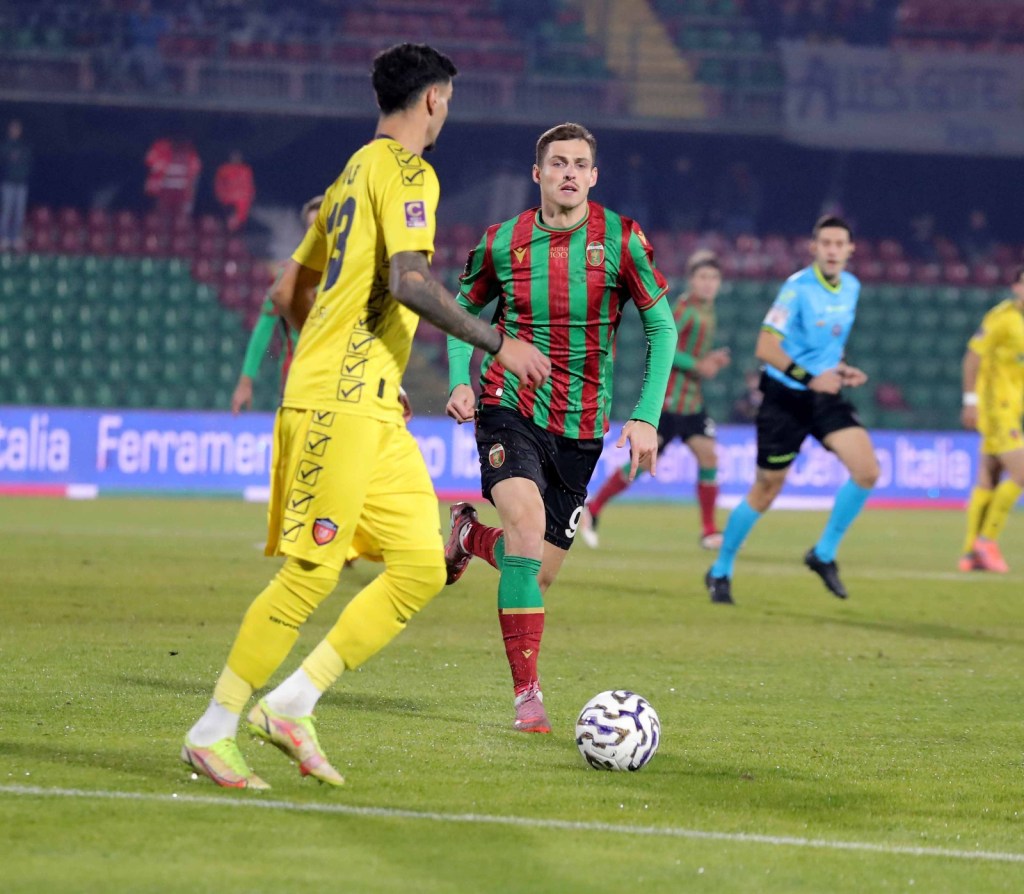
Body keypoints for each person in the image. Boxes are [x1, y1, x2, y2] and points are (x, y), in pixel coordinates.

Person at [181, 42, 550, 790]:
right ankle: (213, 728)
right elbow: (410, 281)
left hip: (370, 403)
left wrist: (369, 358)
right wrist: (497, 341)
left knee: (419, 565)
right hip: (338, 403)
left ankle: (292, 702)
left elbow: (291, 290)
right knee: (313, 571)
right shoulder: (411, 173)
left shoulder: (351, 172)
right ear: (435, 101)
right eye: (448, 101)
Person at [442, 122, 676, 733]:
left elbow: (663, 328)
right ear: (538, 173)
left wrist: (646, 415)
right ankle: (528, 697)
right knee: (524, 524)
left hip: (582, 426)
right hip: (509, 405)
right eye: (557, 163)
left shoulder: (622, 240)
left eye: (579, 164)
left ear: (594, 177)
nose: (569, 172)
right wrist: (460, 378)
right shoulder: (502, 242)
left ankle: (468, 537)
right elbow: (460, 312)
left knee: (536, 570)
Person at [705, 215, 878, 605]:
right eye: (826, 243)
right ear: (814, 248)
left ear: (850, 250)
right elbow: (765, 348)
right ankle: (721, 569)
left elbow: (826, 347)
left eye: (840, 244)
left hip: (823, 396)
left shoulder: (851, 287)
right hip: (784, 399)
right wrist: (808, 376)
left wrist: (838, 369)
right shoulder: (796, 289)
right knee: (766, 490)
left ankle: (823, 553)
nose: (833, 250)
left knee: (867, 470)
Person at [580, 249, 731, 550]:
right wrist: (698, 365)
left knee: (709, 457)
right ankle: (593, 508)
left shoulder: (709, 310)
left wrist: (707, 361)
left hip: (692, 402)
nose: (708, 283)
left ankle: (709, 529)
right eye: (703, 277)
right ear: (691, 280)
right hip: (670, 401)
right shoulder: (685, 310)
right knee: (642, 461)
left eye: (713, 278)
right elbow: (664, 344)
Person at [958, 266, 1024, 573]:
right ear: (1016, 287)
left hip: (1013, 407)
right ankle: (987, 541)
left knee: (989, 476)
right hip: (996, 407)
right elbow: (972, 358)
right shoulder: (1002, 319)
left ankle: (970, 553)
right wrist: (970, 401)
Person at [231, 195, 321, 415]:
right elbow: (263, 329)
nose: (316, 233)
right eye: (311, 227)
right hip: (296, 386)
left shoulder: (350, 278)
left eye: (322, 226)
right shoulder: (287, 278)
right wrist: (246, 380)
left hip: (340, 387)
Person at [0, 119, 32, 251]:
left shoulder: (24, 147)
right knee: (6, 211)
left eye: (17, 129)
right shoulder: (4, 145)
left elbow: (27, 163)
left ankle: (16, 238)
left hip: (21, 184)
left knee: (19, 212)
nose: (15, 131)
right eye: (13, 128)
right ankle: (4, 238)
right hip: (7, 183)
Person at [215, 150, 256, 233]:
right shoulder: (223, 170)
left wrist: (251, 195)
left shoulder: (246, 170)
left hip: (243, 202)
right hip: (228, 201)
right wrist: (221, 197)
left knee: (241, 224)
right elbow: (218, 185)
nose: (235, 159)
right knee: (228, 225)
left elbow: (250, 184)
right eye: (233, 157)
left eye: (237, 157)